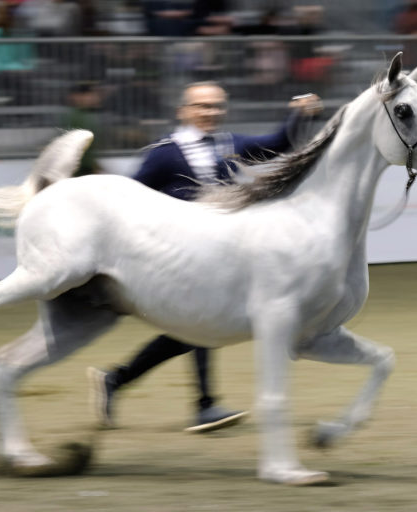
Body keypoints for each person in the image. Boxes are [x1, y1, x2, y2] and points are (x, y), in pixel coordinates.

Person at [87, 81, 323, 432]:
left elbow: (278, 145)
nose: (210, 112)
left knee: (193, 330)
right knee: (201, 323)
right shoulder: (165, 152)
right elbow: (128, 199)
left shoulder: (231, 144)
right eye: (202, 106)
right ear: (184, 111)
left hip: (216, 255)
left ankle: (117, 381)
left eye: (216, 106)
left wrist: (298, 114)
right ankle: (203, 404)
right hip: (174, 257)